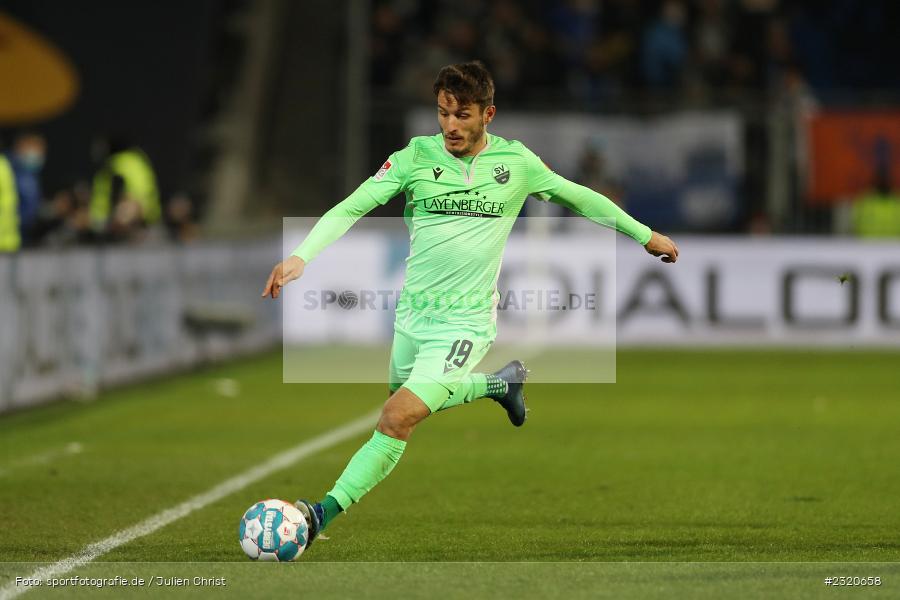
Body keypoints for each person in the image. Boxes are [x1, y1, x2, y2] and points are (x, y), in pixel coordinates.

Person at [261, 61, 679, 547]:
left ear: (488, 114)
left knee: (397, 417)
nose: (451, 126)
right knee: (400, 405)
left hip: (466, 321)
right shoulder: (416, 157)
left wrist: (644, 234)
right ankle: (499, 385)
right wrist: (301, 256)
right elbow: (355, 203)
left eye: (462, 115)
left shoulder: (516, 164)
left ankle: (318, 516)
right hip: (413, 315)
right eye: (443, 114)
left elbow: (580, 197)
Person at [89, 136, 161, 239]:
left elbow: (137, 199)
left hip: (136, 219)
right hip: (106, 224)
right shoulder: (132, 162)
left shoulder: (123, 164)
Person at [7, 132, 47, 247]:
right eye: (35, 148)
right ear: (21, 146)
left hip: (18, 239)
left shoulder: (29, 173)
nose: (39, 154)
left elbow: (31, 206)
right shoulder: (9, 170)